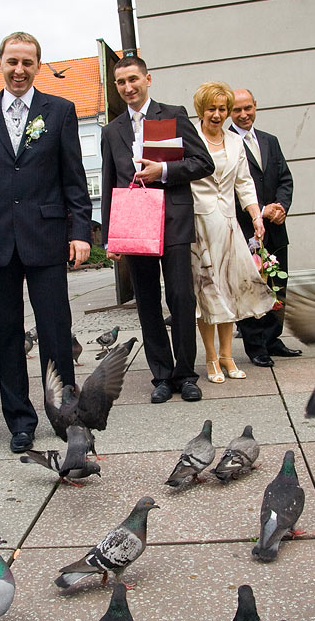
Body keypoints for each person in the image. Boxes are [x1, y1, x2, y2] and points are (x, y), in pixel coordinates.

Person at [0, 33, 92, 453]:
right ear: (0, 63)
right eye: (12, 61)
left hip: (45, 235)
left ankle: (66, 413)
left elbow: (73, 179)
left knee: (55, 329)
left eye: (27, 62)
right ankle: (20, 420)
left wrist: (79, 231)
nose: (19, 69)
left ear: (38, 65)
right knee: (4, 333)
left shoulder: (59, 111)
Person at [100, 55, 214, 403]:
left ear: (149, 79)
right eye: (121, 82)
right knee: (147, 301)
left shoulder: (174, 114)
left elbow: (202, 163)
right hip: (135, 222)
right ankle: (162, 375)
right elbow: (108, 184)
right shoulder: (111, 130)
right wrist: (110, 235)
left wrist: (162, 172)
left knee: (180, 296)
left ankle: (186, 373)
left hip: (174, 218)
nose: (128, 87)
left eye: (133, 79)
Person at [190, 81, 275, 383]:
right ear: (201, 109)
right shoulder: (190, 138)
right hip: (198, 225)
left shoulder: (234, 141)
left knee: (229, 290)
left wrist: (256, 215)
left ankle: (227, 355)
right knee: (206, 293)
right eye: (211, 108)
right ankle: (211, 358)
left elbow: (244, 182)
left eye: (222, 109)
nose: (217, 114)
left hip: (227, 224)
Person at [229, 88, 301, 367]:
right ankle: (255, 344)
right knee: (250, 288)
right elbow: (231, 190)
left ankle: (273, 338)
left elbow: (285, 178)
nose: (244, 114)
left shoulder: (270, 141)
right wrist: (259, 211)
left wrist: (281, 207)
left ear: (255, 106)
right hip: (246, 231)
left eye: (248, 108)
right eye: (237, 110)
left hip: (276, 228)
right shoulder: (226, 142)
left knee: (277, 285)